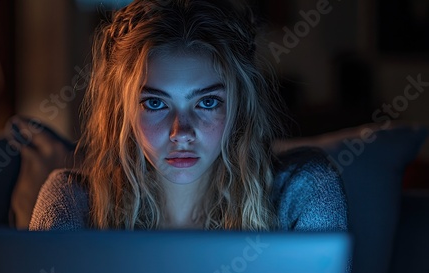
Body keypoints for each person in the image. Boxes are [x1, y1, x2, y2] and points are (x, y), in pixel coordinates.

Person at [29, 0, 347, 233]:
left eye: (207, 102)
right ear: (123, 112)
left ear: (238, 107)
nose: (181, 132)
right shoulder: (71, 201)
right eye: (155, 103)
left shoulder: (304, 191)